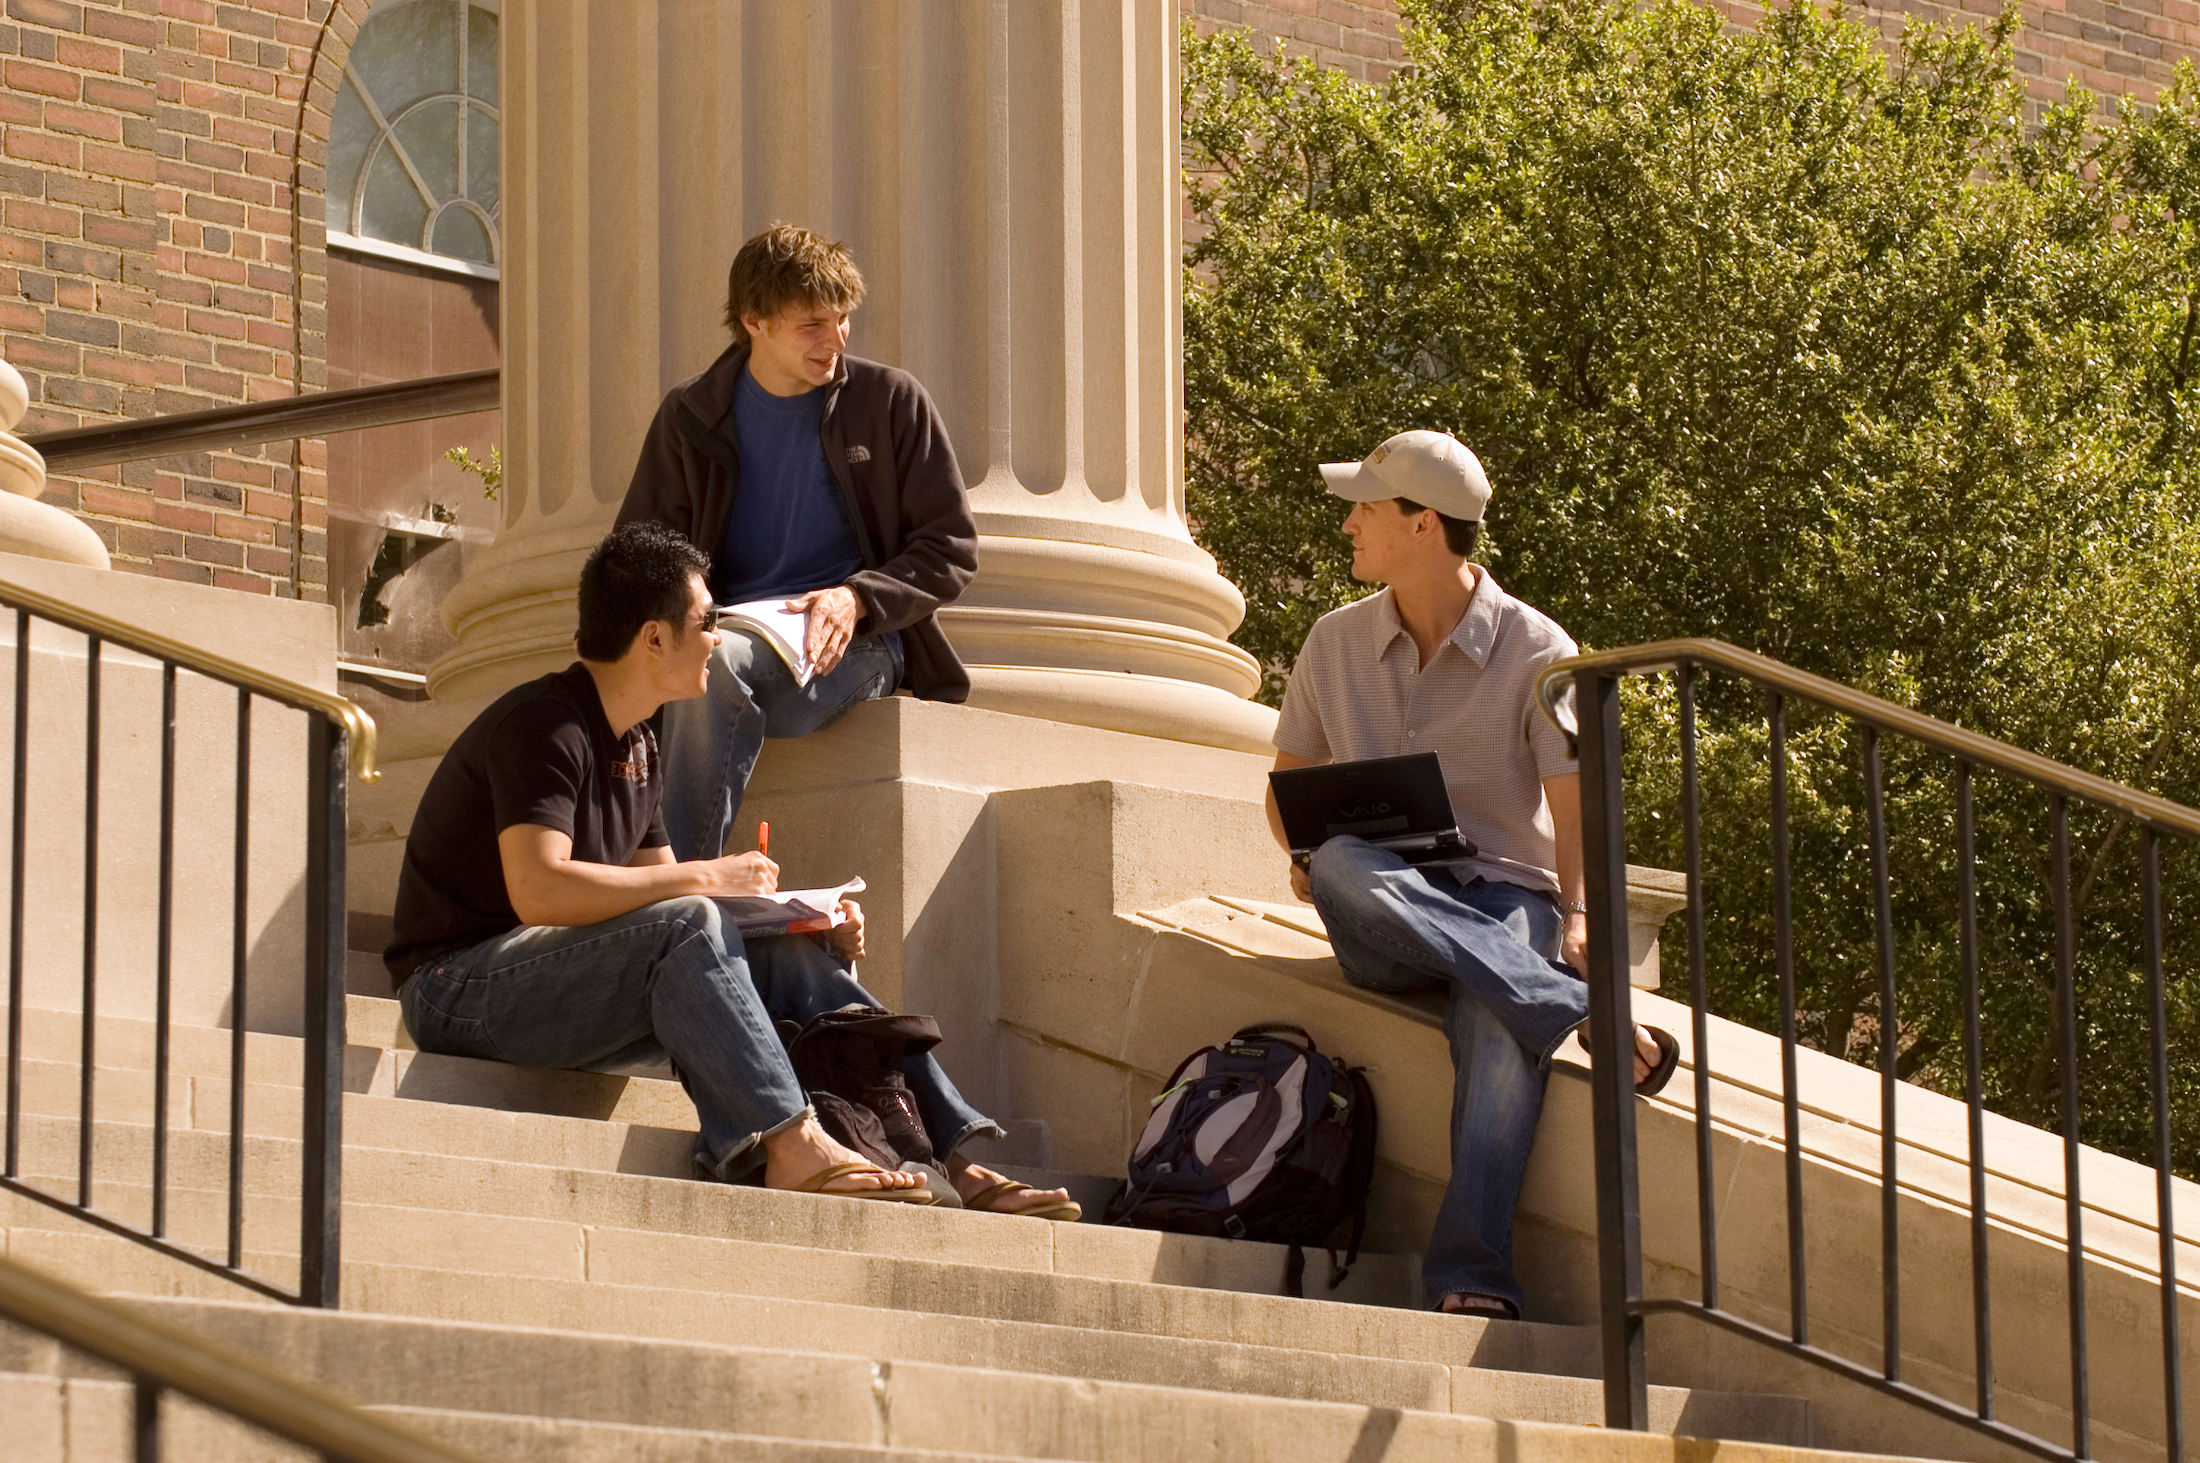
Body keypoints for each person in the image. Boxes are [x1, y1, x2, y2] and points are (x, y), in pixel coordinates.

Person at [385, 523, 1074, 1218]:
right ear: (654, 639)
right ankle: (791, 1140)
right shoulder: (547, 725)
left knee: (787, 953)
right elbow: (540, 890)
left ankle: (950, 1155)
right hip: (455, 988)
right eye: (707, 619)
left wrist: (802, 922)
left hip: (557, 982)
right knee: (692, 917)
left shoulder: (640, 744)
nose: (719, 634)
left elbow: (653, 902)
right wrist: (708, 878)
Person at [1264, 429, 1677, 1320]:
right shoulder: (1332, 641)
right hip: (1379, 902)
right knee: (1338, 858)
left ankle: (1472, 1275)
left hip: (1501, 900)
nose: (1348, 525)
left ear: (1422, 525)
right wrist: (1304, 859)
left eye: (1366, 509)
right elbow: (1287, 785)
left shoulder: (1543, 649)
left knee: (1496, 1028)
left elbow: (1576, 808)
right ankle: (1575, 1009)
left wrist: (1576, 914)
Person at [616, 223, 978, 862]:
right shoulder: (692, 417)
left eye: (843, 320)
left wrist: (856, 598)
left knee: (713, 662)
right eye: (812, 325)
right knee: (699, 661)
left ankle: (673, 885)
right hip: (730, 631)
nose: (834, 340)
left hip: (858, 644)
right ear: (754, 322)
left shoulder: (890, 403)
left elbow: (950, 546)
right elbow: (640, 552)